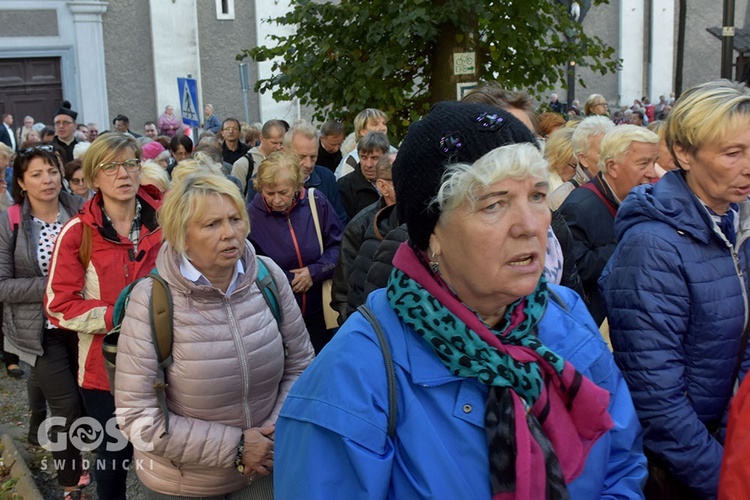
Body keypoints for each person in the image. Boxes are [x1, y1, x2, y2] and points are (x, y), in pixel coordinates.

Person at [274, 102, 646, 498]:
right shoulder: (354, 374)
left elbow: (621, 465)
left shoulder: (566, 315)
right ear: (433, 235)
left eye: (537, 196)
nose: (530, 224)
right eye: (494, 203)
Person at [114, 171, 314, 499]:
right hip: (185, 484)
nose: (229, 234)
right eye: (211, 225)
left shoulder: (268, 277)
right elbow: (136, 415)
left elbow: (302, 365)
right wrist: (235, 448)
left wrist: (274, 433)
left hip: (265, 471)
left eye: (235, 219)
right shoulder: (151, 299)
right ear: (182, 236)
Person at [599, 80, 750, 498]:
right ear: (684, 153)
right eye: (732, 153)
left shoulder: (732, 224)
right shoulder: (654, 245)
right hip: (684, 469)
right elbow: (657, 402)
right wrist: (728, 480)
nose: (749, 166)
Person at [44, 133, 163, 500]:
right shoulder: (77, 232)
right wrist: (118, 314)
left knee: (171, 452)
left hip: (168, 360)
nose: (122, 174)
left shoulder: (167, 220)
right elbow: (58, 305)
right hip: (102, 370)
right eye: (110, 167)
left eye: (129, 164)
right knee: (114, 457)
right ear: (94, 178)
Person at [0, 146, 88, 500]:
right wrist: (54, 285)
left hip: (86, 324)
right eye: (36, 174)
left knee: (88, 403)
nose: (47, 179)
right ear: (21, 182)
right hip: (41, 331)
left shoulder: (82, 210)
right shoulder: (10, 221)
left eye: (51, 171)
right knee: (65, 407)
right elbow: (3, 285)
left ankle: (79, 455)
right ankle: (70, 483)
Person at [247, 151, 343, 353]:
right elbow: (249, 266)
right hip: (276, 315)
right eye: (269, 193)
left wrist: (314, 271)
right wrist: (282, 280)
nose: (276, 200)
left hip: (319, 312)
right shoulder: (251, 216)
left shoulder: (316, 202)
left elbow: (338, 246)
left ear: (297, 186)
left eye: (283, 192)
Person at [337, 131, 389, 219]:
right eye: (364, 157)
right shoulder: (344, 186)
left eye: (374, 158)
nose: (368, 164)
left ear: (386, 157)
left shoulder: (395, 181)